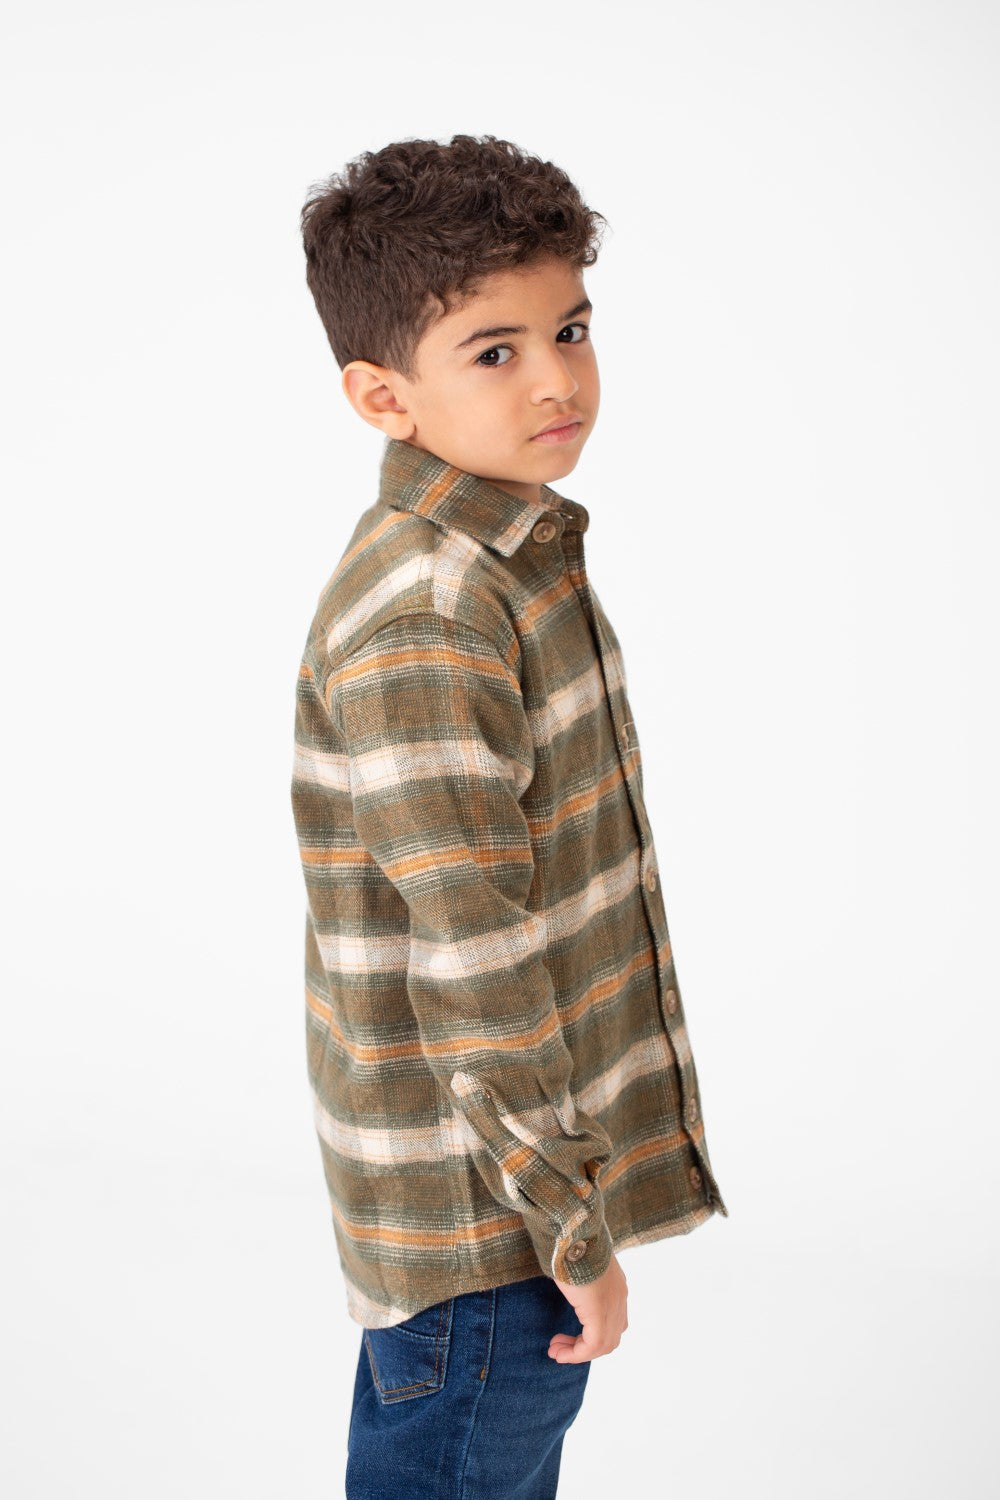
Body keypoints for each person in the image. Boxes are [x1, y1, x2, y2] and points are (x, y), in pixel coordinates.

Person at [290, 133, 728, 1498]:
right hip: (489, 1226)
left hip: (502, 1198)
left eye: (571, 330)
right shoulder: (432, 612)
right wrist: (570, 1226)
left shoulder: (509, 558)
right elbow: (472, 952)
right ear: (382, 395)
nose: (557, 380)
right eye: (495, 350)